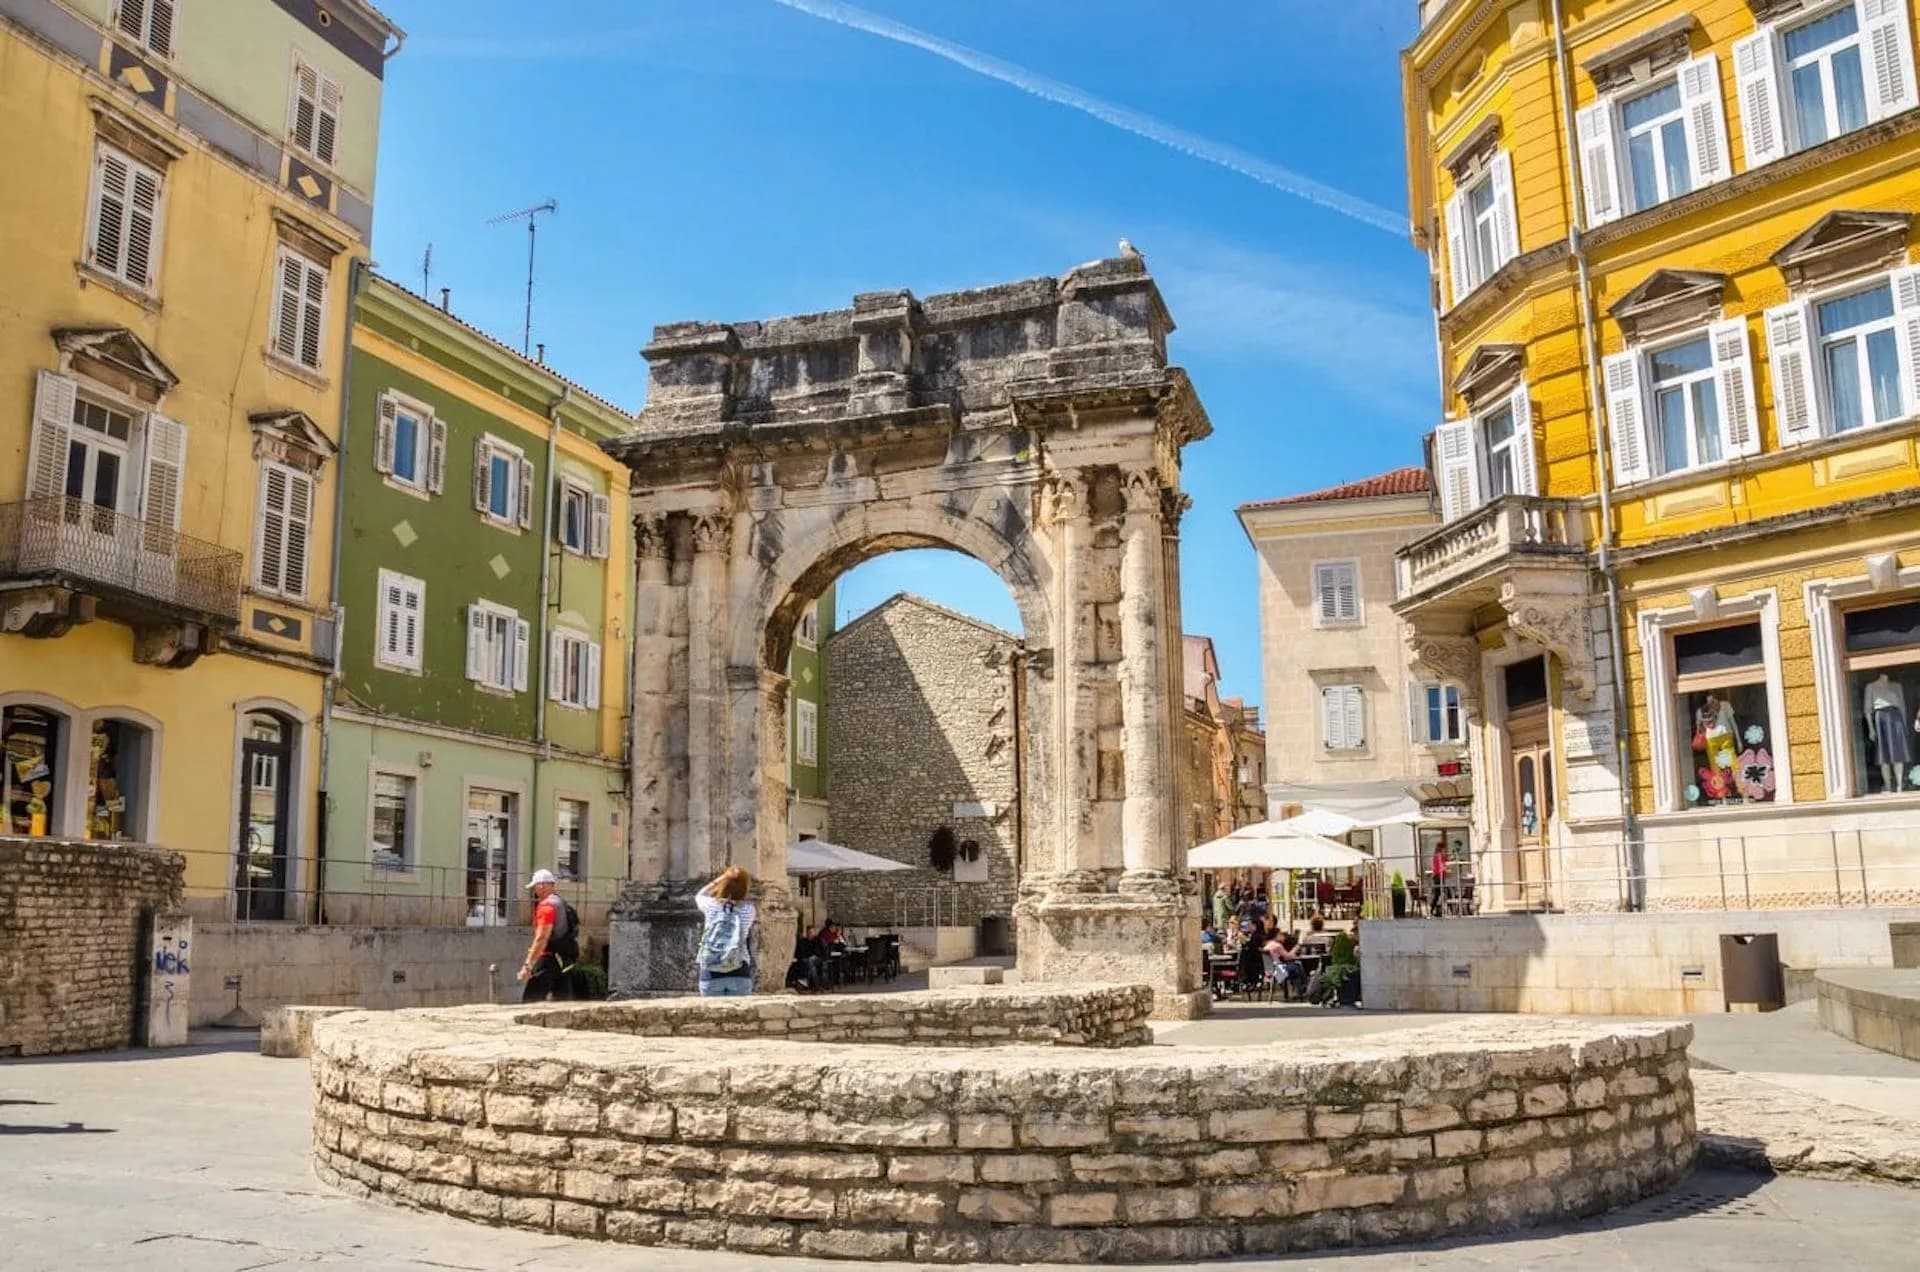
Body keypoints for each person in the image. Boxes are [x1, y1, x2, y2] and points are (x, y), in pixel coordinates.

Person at [517, 869, 580, 1002]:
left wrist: (527, 966)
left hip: (548, 960)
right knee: (561, 1004)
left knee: (530, 1001)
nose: (534, 890)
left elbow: (541, 938)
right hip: (565, 960)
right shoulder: (561, 903)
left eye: (535, 886)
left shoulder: (546, 906)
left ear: (542, 885)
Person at [694, 865, 757, 997]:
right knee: (741, 1017)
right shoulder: (749, 910)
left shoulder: (710, 906)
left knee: (712, 1016)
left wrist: (722, 878)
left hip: (711, 972)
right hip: (739, 970)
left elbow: (700, 894)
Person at [1431, 842, 1451, 917]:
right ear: (1441, 848)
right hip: (1438, 877)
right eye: (1444, 848)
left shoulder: (1438, 856)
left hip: (1438, 876)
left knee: (1440, 893)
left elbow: (1442, 865)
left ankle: (1434, 909)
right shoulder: (1438, 856)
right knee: (1439, 893)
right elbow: (1441, 866)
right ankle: (1433, 909)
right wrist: (1445, 870)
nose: (1445, 850)